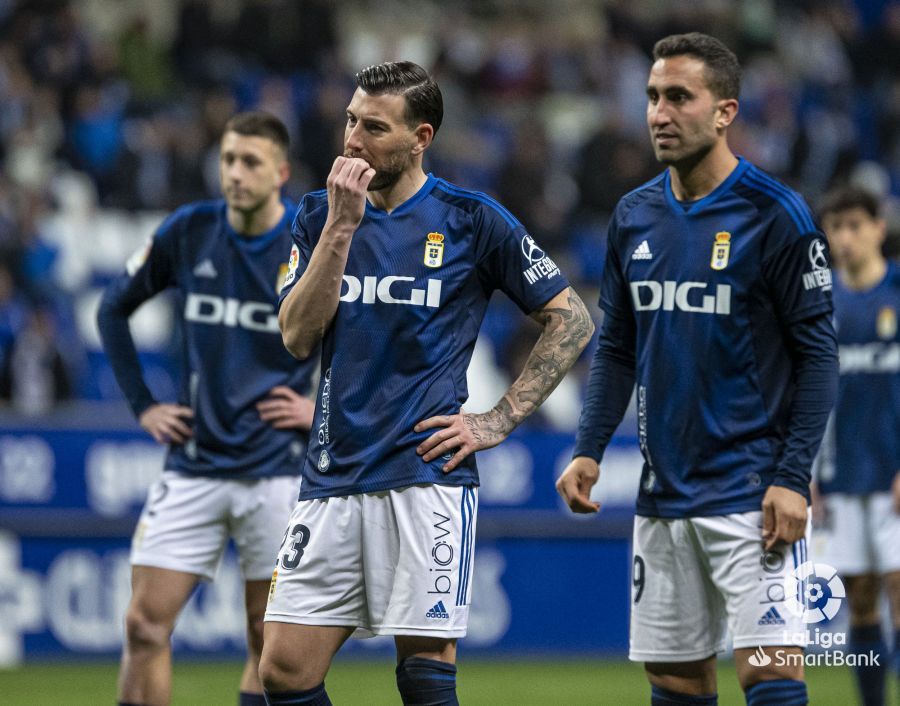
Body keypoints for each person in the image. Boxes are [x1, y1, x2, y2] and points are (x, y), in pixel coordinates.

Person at [259, 61, 593, 706]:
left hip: (425, 478)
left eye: (374, 128)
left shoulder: (472, 219)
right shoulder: (315, 216)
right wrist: (341, 226)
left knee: (424, 677)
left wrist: (498, 418)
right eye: (351, 121)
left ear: (421, 137)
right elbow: (297, 335)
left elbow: (571, 320)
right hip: (331, 476)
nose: (353, 140)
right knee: (284, 671)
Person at [556, 33, 838, 706]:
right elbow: (618, 345)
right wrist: (589, 448)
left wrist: (793, 477)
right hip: (663, 496)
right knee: (676, 683)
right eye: (654, 96)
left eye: (680, 97)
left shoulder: (776, 214)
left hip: (752, 495)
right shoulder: (634, 215)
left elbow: (819, 356)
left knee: (770, 675)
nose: (659, 112)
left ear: (725, 112)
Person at [97, 111, 317, 706]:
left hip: (277, 470)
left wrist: (320, 406)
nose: (235, 173)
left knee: (263, 644)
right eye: (227, 159)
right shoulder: (189, 230)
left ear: (281, 172)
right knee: (143, 625)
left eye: (250, 162)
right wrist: (143, 404)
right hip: (193, 464)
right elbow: (112, 309)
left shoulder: (309, 239)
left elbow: (368, 334)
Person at [813, 185, 900, 706]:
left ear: (878, 229)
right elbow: (809, 393)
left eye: (854, 226)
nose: (844, 238)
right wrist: (804, 474)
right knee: (863, 600)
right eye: (835, 228)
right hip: (843, 475)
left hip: (895, 472)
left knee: (899, 589)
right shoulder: (820, 304)